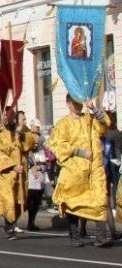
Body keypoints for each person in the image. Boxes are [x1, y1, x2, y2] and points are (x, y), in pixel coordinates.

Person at [49, 94, 111, 247]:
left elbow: (105, 124)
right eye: (74, 102)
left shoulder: (89, 119)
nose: (77, 105)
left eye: (79, 102)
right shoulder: (63, 124)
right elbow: (58, 145)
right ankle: (75, 235)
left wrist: (93, 108)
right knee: (73, 202)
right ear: (68, 103)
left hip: (94, 169)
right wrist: (80, 152)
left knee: (99, 198)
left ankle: (101, 236)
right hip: (74, 171)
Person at [0, 107, 35, 240]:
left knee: (22, 202)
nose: (6, 118)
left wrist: (23, 134)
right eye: (4, 115)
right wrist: (13, 166)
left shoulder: (21, 130)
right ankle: (9, 226)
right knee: (9, 201)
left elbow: (29, 146)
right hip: (7, 174)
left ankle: (11, 221)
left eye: (9, 115)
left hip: (21, 172)